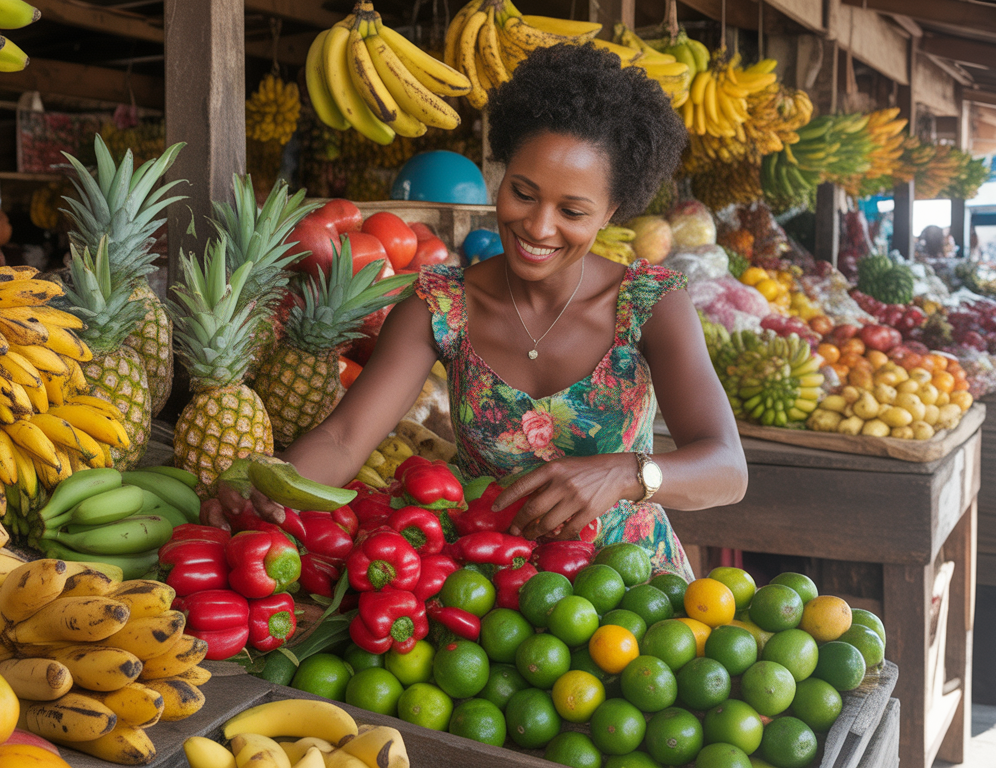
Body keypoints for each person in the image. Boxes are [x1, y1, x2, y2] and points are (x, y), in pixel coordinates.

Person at [204, 44, 749, 579]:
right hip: (484, 593)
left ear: (612, 210)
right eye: (523, 192)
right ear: (500, 176)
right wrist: (267, 490)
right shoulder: (439, 304)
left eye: (573, 210)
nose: (538, 227)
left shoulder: (652, 305)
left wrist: (626, 472)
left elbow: (727, 469)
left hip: (634, 597)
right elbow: (345, 438)